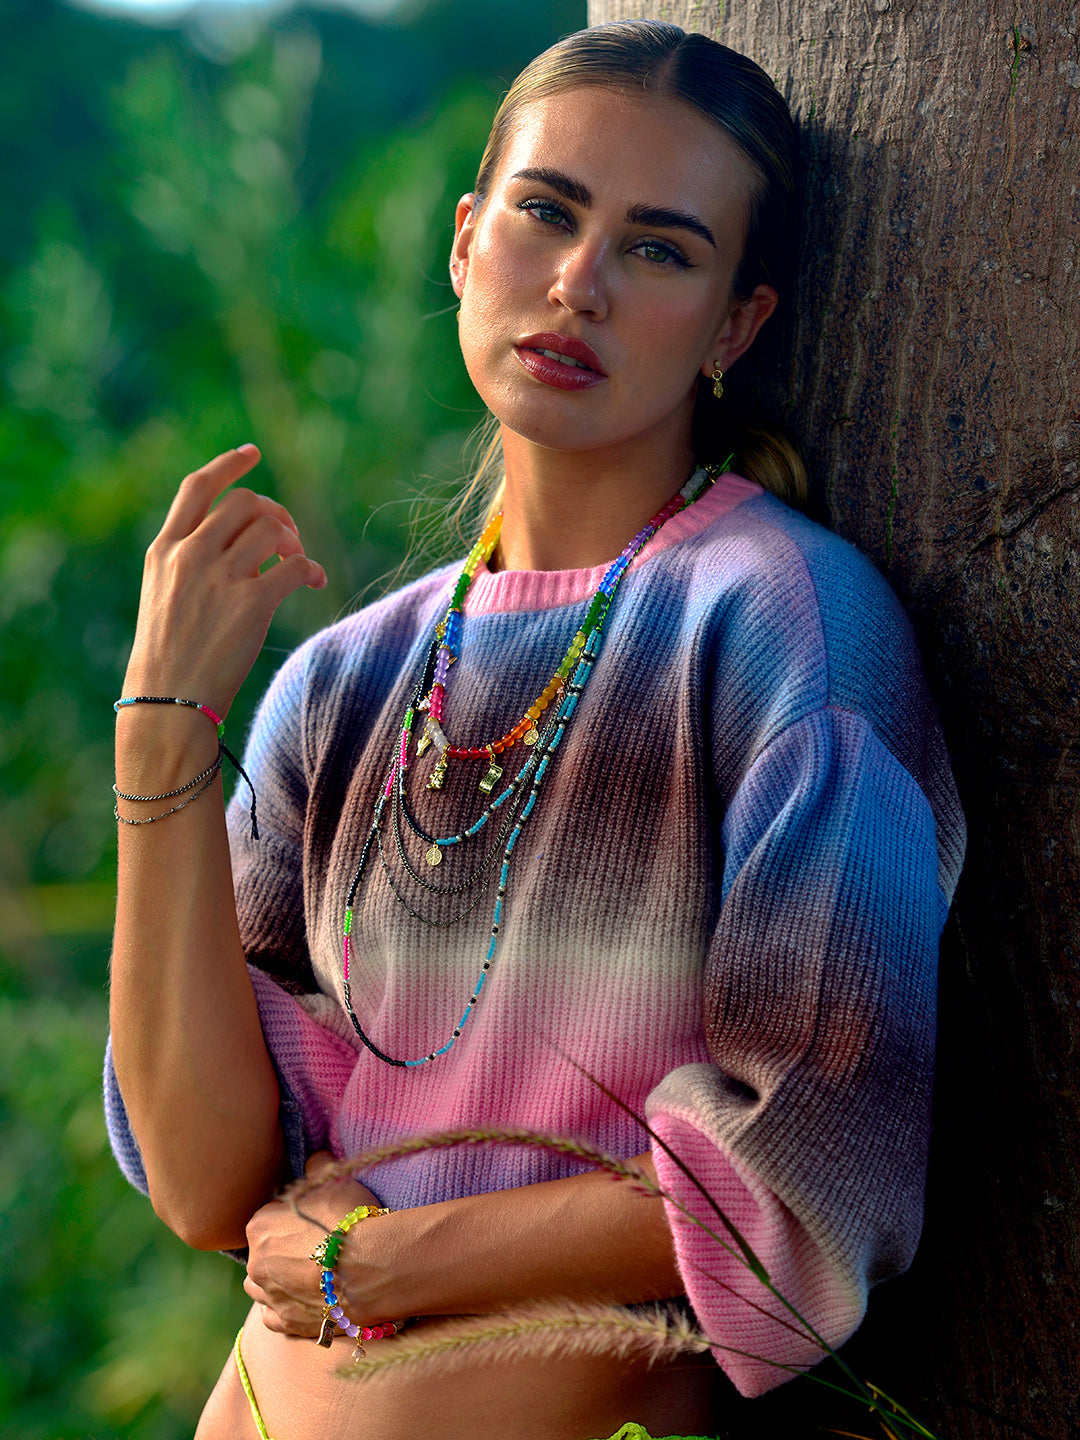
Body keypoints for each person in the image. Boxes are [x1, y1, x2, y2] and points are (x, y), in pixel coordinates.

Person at [104, 20, 965, 1440]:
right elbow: (208, 1181)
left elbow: (806, 1169)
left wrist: (384, 1259)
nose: (580, 283)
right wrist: (163, 741)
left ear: (735, 326)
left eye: (661, 250)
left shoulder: (786, 635)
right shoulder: (342, 683)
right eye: (547, 213)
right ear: (465, 241)